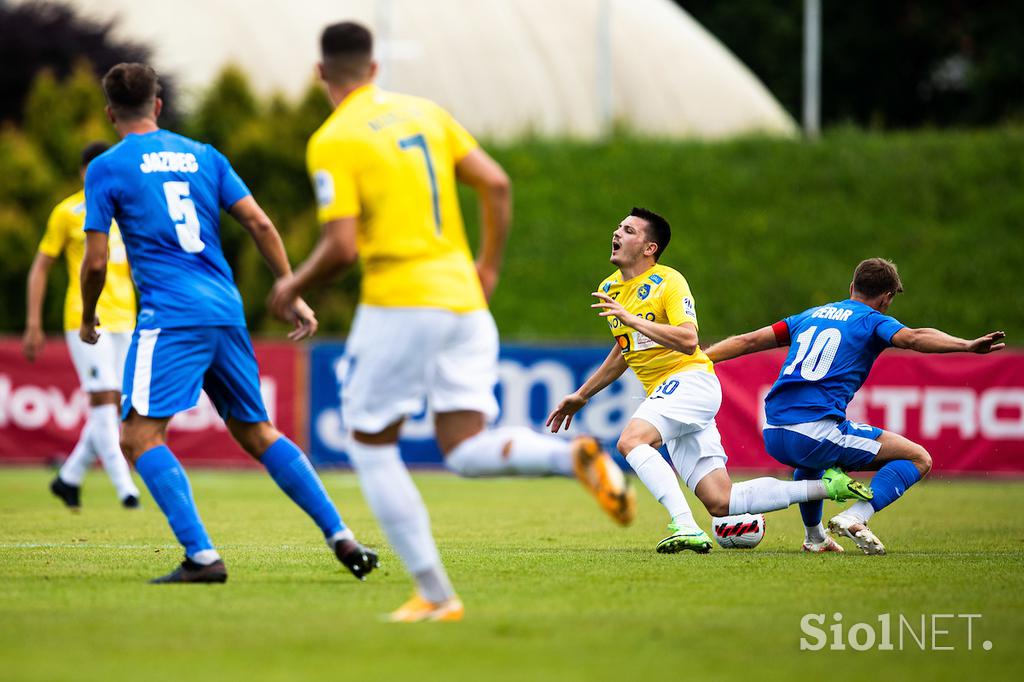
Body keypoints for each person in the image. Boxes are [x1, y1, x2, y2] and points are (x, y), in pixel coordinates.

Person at [268, 21, 633, 623]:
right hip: (464, 302)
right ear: (375, 68)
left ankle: (435, 594)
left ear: (320, 74)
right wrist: (486, 266)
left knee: (369, 445)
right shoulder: (425, 114)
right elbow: (496, 182)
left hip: (401, 303)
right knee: (462, 449)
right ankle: (566, 457)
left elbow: (340, 248)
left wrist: (291, 283)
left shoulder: (334, 138)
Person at [81, 62, 377, 584]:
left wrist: (87, 316)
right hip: (225, 309)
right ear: (158, 105)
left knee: (138, 436)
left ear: (110, 113)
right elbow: (260, 221)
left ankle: (201, 557)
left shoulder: (107, 165)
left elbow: (98, 261)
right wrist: (290, 290)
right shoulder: (204, 156)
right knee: (257, 431)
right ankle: (340, 534)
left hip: (169, 316)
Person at [547, 208, 872, 553]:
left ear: (649, 248)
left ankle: (684, 525)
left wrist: (634, 320)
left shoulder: (669, 282)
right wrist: (583, 394)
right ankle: (829, 487)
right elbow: (623, 351)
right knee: (721, 501)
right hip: (670, 393)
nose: (617, 233)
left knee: (631, 441)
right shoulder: (610, 287)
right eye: (618, 227)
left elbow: (689, 340)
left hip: (690, 381)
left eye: (628, 230)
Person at [704, 258, 1005, 554]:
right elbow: (914, 338)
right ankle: (855, 516)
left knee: (810, 464)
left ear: (852, 287)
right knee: (918, 459)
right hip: (814, 431)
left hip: (773, 430)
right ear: (886, 298)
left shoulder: (810, 315)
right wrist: (965, 345)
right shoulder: (873, 320)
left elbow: (747, 341)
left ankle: (814, 538)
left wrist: (700, 359)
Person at [24, 141, 141, 510]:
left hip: (127, 317)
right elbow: (41, 266)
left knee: (114, 403)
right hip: (85, 317)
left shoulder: (128, 209)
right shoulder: (68, 212)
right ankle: (127, 488)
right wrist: (33, 321)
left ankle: (69, 477)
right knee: (102, 397)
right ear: (83, 172)